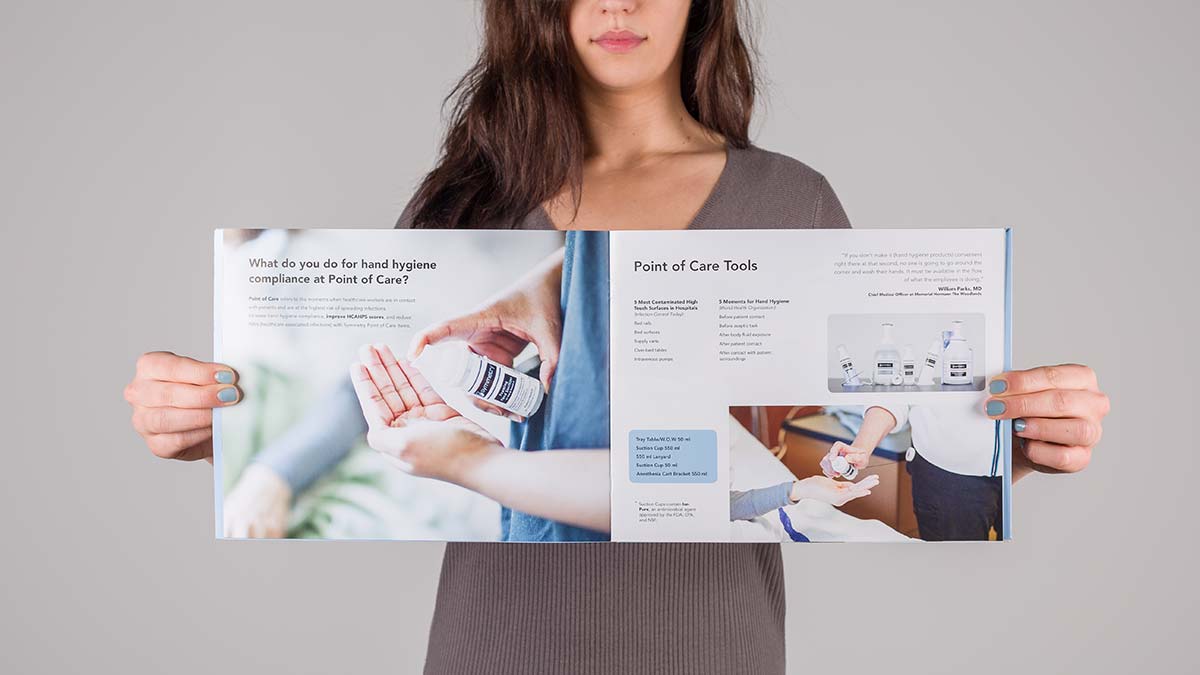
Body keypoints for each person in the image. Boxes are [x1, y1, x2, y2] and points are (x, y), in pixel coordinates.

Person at [124, 1, 1111, 672]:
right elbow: (369, 387)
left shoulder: (789, 203)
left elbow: (847, 460)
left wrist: (1005, 449)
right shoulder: (471, 206)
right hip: (491, 651)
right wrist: (226, 434)